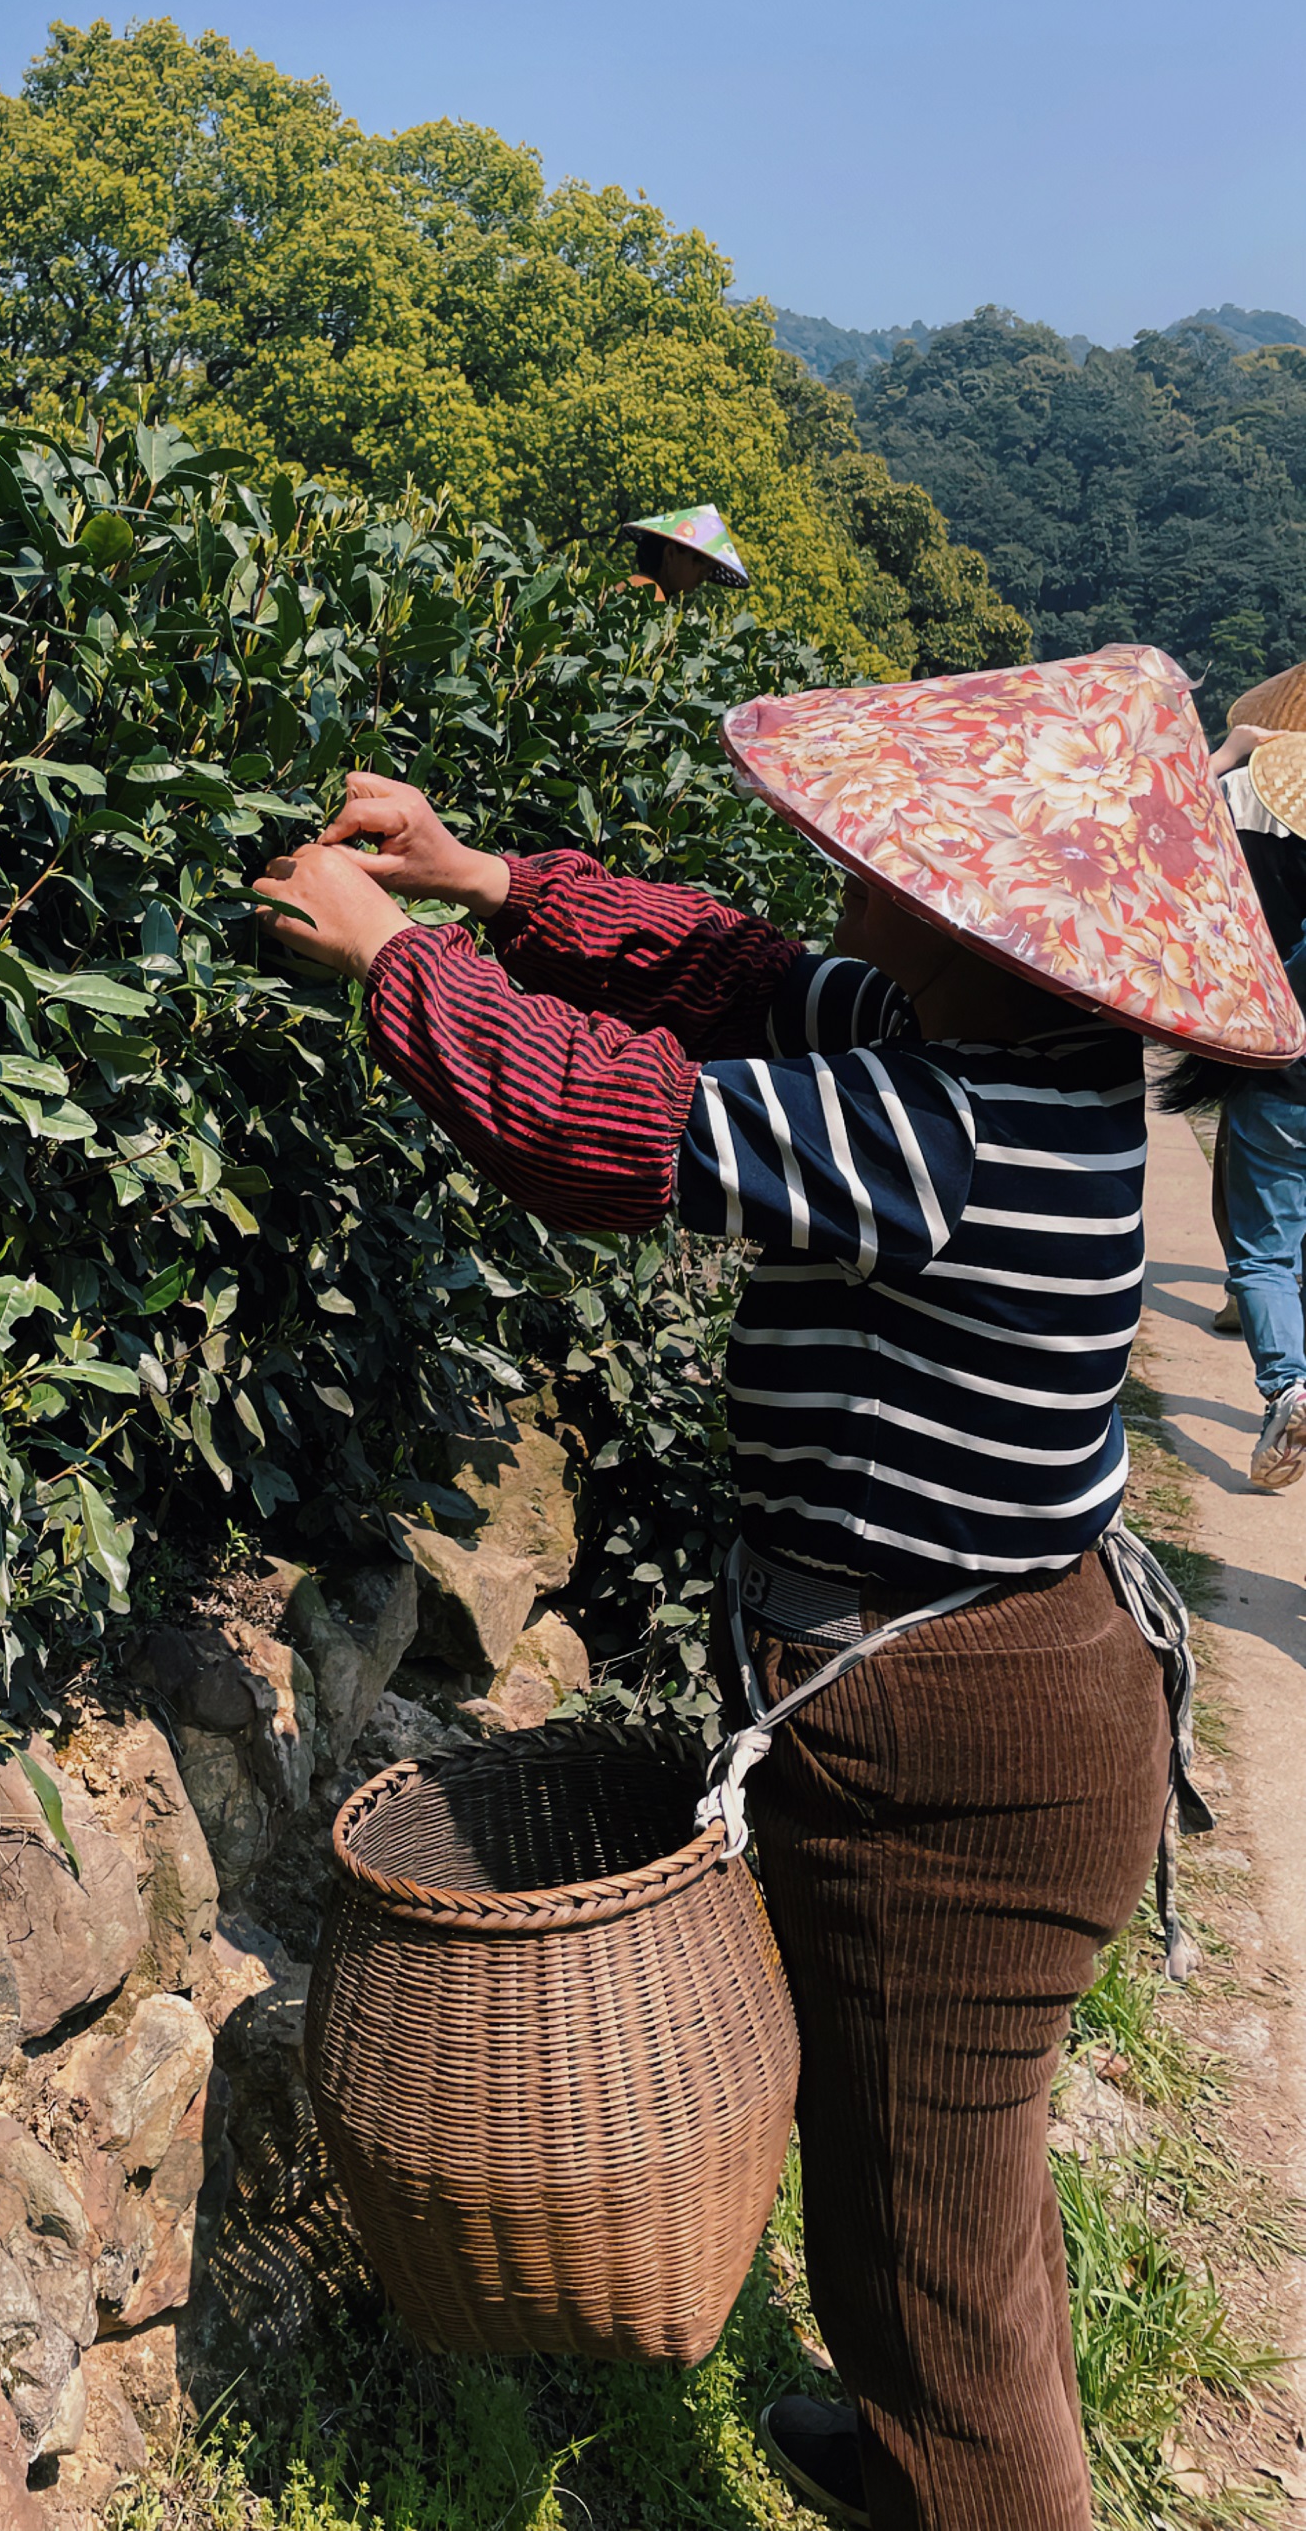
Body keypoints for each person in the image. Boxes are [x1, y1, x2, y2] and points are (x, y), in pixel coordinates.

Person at [253, 645, 1300, 2531]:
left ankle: (968, 2478)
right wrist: (483, 877)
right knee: (935, 2163)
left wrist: (390, 966)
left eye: (890, 855)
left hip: (960, 1730)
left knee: (928, 2217)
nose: (842, 869)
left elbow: (607, 1123)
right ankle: (913, 2444)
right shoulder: (996, 1043)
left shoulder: (940, 1124)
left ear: (973, 920)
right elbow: (725, 971)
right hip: (999, 1686)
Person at [1167, 717, 1306, 1485]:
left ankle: (1286, 1382)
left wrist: (1225, 753)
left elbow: (1162, 818)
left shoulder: (1250, 842)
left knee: (1262, 1255)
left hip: (1277, 1078)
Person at [623, 502, 751, 603]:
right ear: (670, 553)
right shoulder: (648, 592)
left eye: (710, 569)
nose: (704, 574)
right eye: (699, 561)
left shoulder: (637, 586)